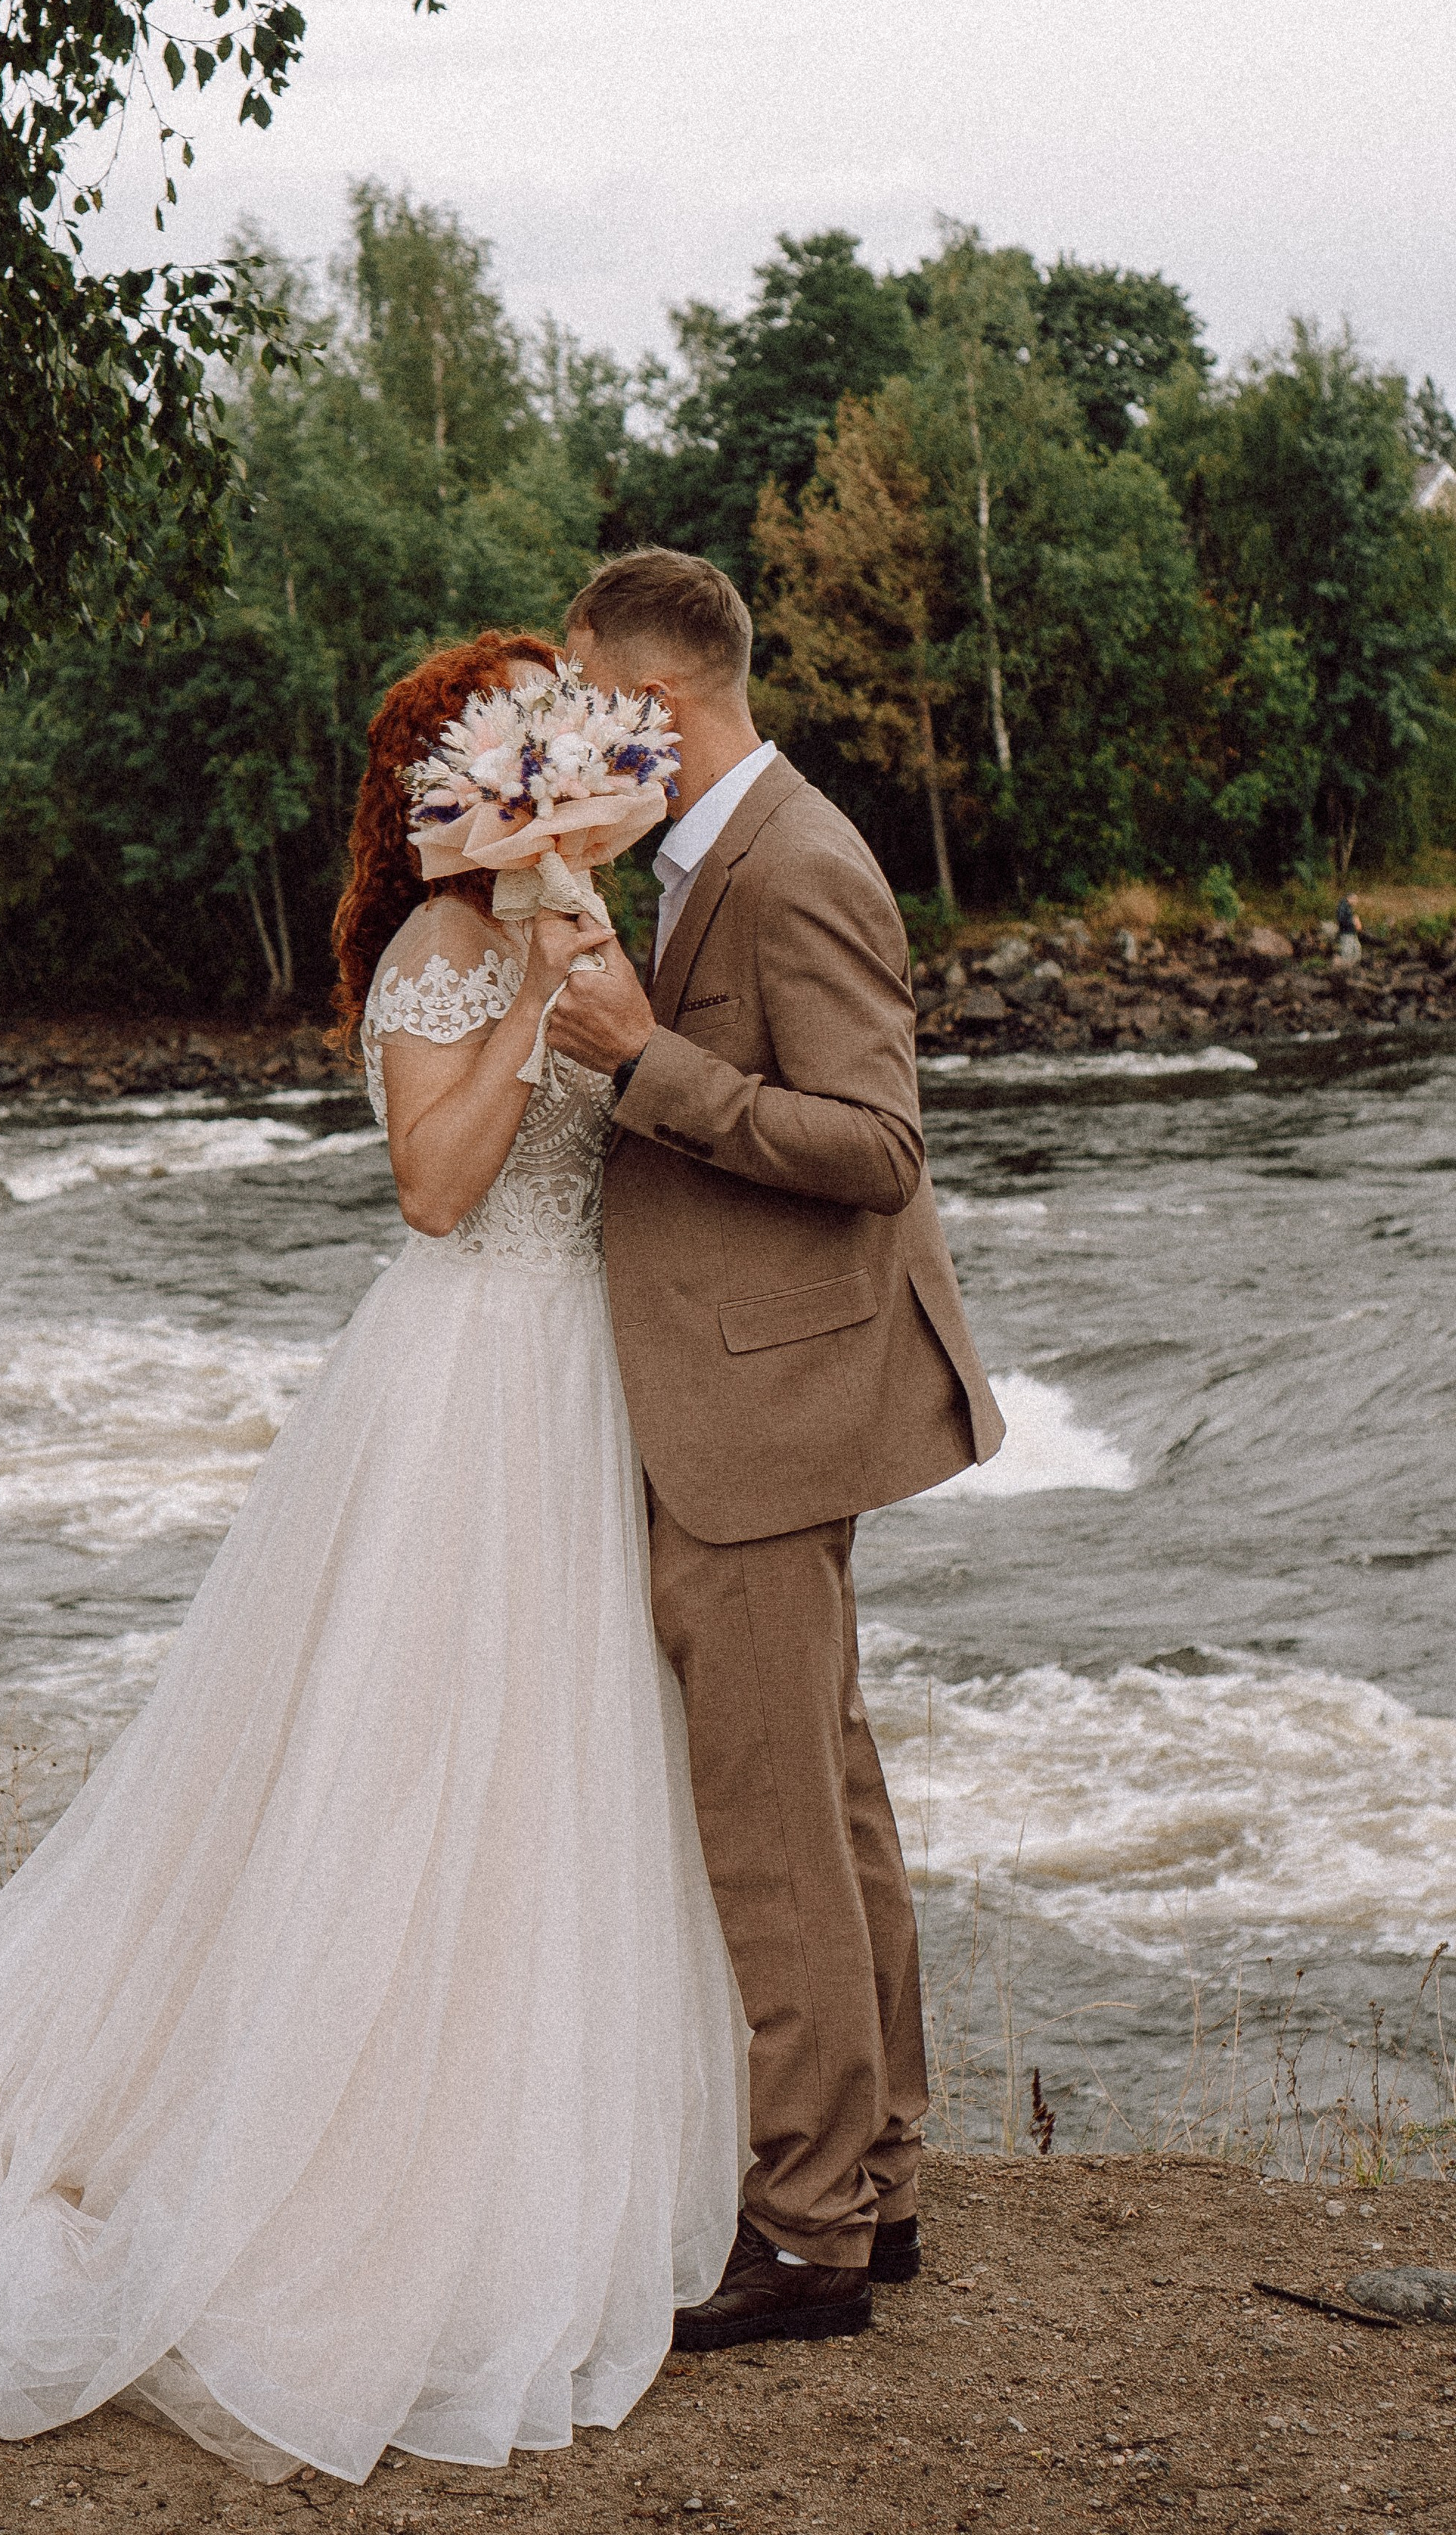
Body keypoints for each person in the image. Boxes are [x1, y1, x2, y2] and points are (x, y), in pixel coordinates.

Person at [0, 629, 745, 2487]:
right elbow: (434, 1191)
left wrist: (595, 974)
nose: (541, 795)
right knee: (410, 1758)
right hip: (458, 1385)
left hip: (582, 1374)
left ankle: (529, 2130)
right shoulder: (429, 961)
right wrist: (526, 1008)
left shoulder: (583, 923)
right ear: (449, 796)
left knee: (562, 1765)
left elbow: (629, 1132)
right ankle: (342, 2166)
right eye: (515, 769)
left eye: (555, 763)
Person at [544, 548, 1002, 2350]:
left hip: (761, 1409)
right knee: (829, 1793)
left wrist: (646, 1063)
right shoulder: (696, 853)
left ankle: (806, 2231)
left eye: (587, 696)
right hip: (759, 1388)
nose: (569, 729)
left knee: (771, 1829)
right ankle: (871, 2183)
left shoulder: (794, 861)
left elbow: (875, 1144)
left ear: (656, 704)